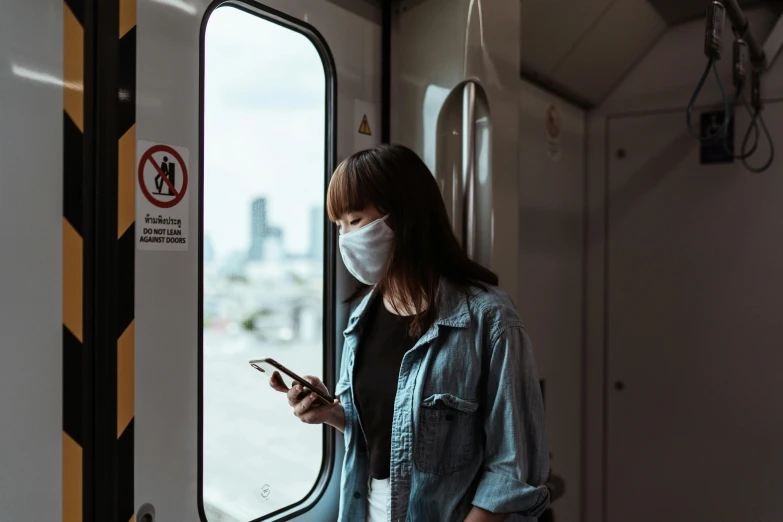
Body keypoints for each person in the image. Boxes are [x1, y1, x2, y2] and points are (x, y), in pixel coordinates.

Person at [270, 144, 550, 522]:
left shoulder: (490, 318)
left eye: (355, 220)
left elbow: (514, 466)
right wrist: (334, 414)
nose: (345, 238)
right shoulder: (362, 318)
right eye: (339, 226)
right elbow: (392, 431)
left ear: (402, 217)